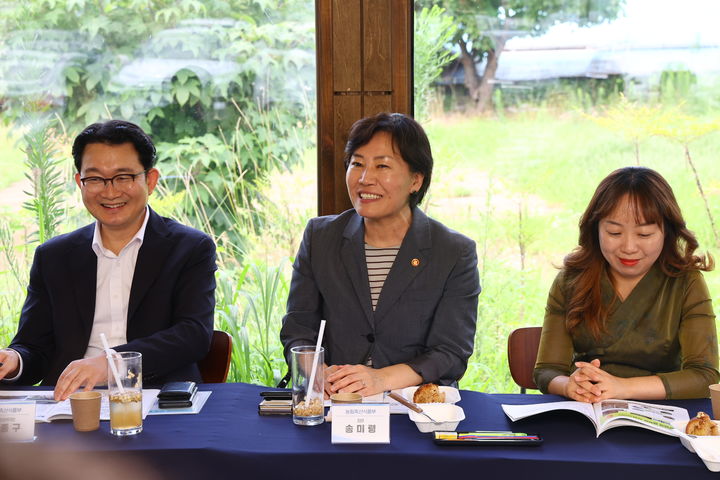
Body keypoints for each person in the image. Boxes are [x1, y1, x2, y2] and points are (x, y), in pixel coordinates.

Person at [0, 119, 217, 400]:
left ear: (150, 180)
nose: (110, 191)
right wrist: (15, 361)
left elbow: (193, 335)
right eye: (95, 178)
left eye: (123, 177)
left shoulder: (190, 248)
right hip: (70, 404)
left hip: (157, 400)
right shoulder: (53, 257)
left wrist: (111, 362)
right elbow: (35, 347)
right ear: (80, 182)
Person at [280, 112, 480, 397]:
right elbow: (299, 328)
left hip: (414, 405)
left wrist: (380, 379)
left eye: (382, 166)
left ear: (416, 180)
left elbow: (450, 351)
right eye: (357, 163)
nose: (365, 178)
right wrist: (316, 372)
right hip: (335, 401)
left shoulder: (453, 252)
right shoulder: (320, 238)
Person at [534, 166, 718, 402]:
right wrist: (570, 386)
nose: (629, 247)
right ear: (595, 228)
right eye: (614, 232)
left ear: (667, 232)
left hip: (661, 415)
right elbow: (546, 371)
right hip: (587, 411)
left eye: (644, 235)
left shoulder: (686, 282)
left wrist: (622, 388)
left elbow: (705, 376)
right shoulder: (571, 280)